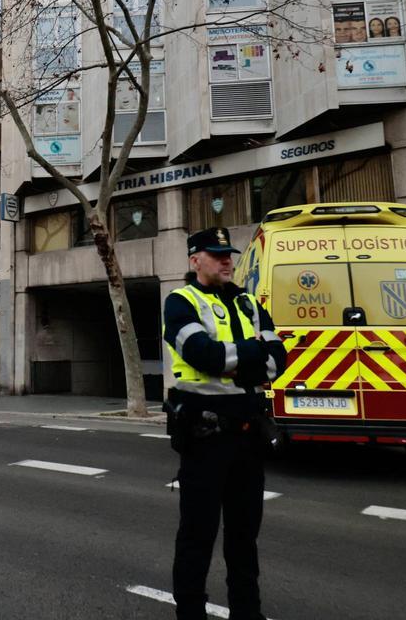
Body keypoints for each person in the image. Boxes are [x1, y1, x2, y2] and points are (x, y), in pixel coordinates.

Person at [162, 227, 286, 620]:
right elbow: (203, 355)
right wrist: (251, 357)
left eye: (228, 253)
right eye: (216, 254)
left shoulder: (250, 303)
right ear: (195, 259)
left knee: (244, 538)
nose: (227, 260)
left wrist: (239, 360)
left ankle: (247, 613)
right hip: (205, 436)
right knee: (197, 536)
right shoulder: (181, 301)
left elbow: (278, 361)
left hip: (248, 437)